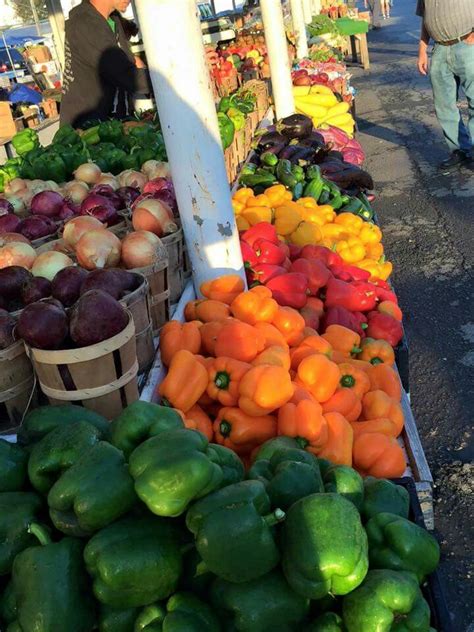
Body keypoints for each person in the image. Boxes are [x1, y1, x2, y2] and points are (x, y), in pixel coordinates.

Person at [60, 0, 151, 128]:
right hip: (87, 129)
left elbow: (123, 59)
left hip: (112, 122)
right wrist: (164, 83)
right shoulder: (85, 24)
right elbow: (123, 75)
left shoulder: (112, 21)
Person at [417, 1, 474, 172]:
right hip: (440, 50)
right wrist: (422, 50)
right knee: (444, 105)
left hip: (467, 46)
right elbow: (425, 18)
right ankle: (459, 150)